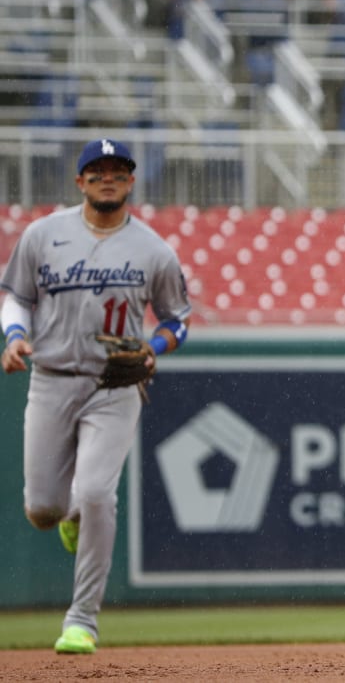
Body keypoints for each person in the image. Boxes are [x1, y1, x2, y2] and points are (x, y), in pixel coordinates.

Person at [0, 138, 192, 655]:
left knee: (95, 494)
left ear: (131, 182)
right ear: (80, 181)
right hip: (52, 378)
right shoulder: (43, 235)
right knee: (42, 507)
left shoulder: (153, 249)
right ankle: (65, 518)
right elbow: (15, 296)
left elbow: (178, 319)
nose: (108, 178)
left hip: (116, 384)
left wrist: (154, 347)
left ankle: (81, 620)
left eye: (118, 170)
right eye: (97, 170)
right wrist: (15, 336)